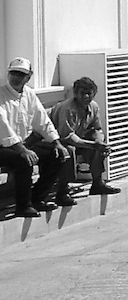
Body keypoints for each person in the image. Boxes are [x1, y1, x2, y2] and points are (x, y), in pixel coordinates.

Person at [0, 57, 72, 217]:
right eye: (13, 73)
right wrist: (23, 150)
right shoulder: (0, 95)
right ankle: (23, 206)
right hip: (4, 147)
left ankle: (37, 198)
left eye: (21, 74)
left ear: (28, 76)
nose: (16, 77)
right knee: (23, 161)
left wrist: (56, 143)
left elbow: (43, 121)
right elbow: (3, 128)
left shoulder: (29, 94)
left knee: (57, 155)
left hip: (23, 145)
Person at [50, 77, 120, 197]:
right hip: (55, 141)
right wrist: (92, 145)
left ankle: (98, 182)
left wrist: (99, 142)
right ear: (75, 93)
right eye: (82, 93)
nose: (86, 97)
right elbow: (66, 136)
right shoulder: (68, 108)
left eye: (89, 93)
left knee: (99, 147)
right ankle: (63, 189)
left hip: (78, 139)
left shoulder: (93, 107)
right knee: (69, 150)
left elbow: (97, 129)